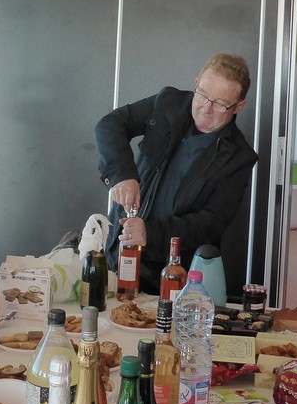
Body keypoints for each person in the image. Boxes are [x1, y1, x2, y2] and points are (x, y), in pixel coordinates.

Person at [94, 53, 258, 294]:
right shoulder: (168, 103)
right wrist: (121, 175)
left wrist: (150, 234)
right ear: (196, 83)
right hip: (119, 248)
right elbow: (110, 125)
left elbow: (210, 223)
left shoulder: (239, 157)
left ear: (239, 107)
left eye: (220, 104)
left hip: (171, 273)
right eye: (202, 95)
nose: (206, 108)